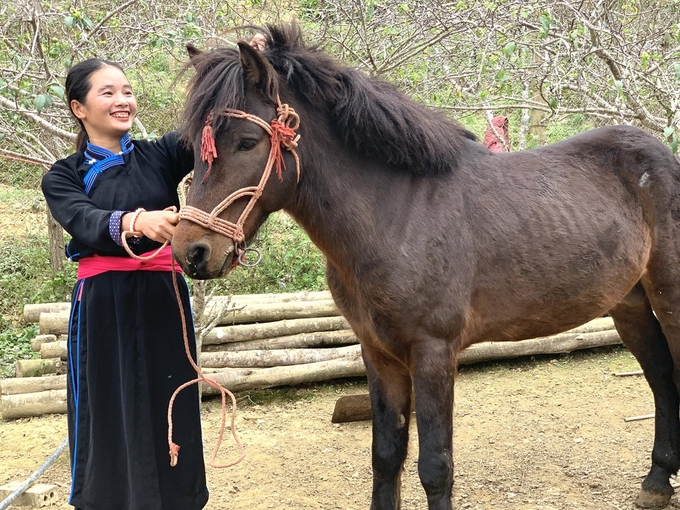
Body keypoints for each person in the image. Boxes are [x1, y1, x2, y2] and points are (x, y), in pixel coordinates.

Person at [41, 58, 208, 510]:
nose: (123, 100)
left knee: (172, 402)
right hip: (102, 304)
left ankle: (178, 499)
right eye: (108, 92)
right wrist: (136, 221)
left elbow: (216, 125)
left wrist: (247, 63)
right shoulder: (64, 175)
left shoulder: (163, 154)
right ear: (79, 107)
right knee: (105, 409)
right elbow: (85, 220)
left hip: (163, 300)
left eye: (128, 91)